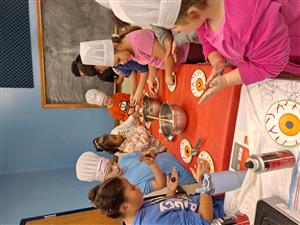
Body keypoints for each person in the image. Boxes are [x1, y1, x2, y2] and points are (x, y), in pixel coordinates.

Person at [106, 0, 300, 102]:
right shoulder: (205, 12)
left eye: (175, 28)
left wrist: (225, 80)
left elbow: (271, 64)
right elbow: (205, 33)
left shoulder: (247, 23)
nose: (176, 33)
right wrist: (216, 59)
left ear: (192, 13)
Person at [88, 160, 225, 225]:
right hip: (223, 210)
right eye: (132, 188)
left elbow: (163, 210)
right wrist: (204, 185)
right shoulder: (153, 223)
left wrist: (170, 192)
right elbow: (205, 220)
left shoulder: (136, 210)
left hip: (210, 199)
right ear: (125, 207)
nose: (137, 187)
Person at [76, 150, 196, 195]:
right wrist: (153, 166)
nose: (115, 166)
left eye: (111, 163)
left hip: (179, 153)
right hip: (187, 171)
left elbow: (148, 154)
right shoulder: (130, 186)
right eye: (110, 170)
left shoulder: (123, 159)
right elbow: (161, 184)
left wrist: (150, 153)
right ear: (105, 179)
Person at [93, 125, 166, 155]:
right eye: (115, 138)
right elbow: (145, 142)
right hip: (161, 143)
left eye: (115, 135)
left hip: (155, 134)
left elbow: (134, 131)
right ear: (115, 147)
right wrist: (140, 128)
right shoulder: (129, 149)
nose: (118, 135)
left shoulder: (123, 138)